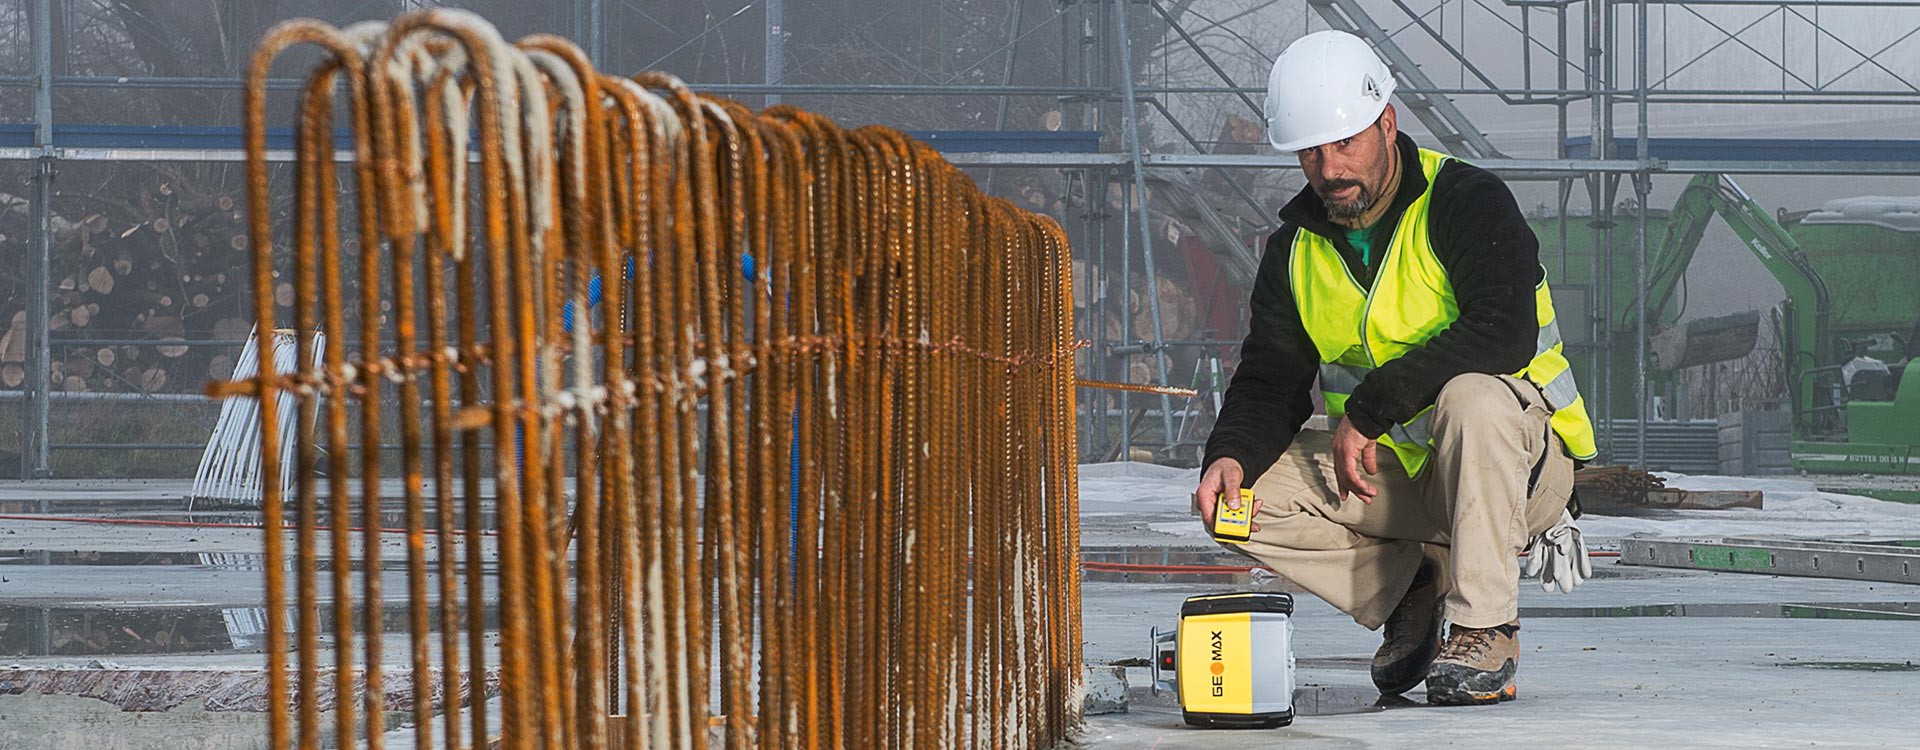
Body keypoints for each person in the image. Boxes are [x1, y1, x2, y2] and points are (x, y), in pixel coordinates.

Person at [1194, 29, 1599, 707]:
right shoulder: (1294, 253)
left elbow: (1502, 333)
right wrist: (1229, 454)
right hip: (1408, 477)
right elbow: (1270, 381)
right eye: (1312, 152)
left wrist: (1369, 408)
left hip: (1523, 470)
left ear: (1387, 123)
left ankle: (1485, 629)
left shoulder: (1464, 200)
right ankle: (1406, 584)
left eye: (1346, 142)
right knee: (1236, 502)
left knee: (1474, 397)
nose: (1330, 168)